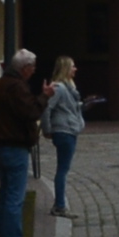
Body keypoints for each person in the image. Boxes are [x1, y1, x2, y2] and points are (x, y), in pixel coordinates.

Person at [0, 50, 43, 237]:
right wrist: (45, 96)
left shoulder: (1, 84)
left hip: (3, 145)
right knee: (14, 198)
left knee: (6, 196)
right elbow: (31, 112)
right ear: (24, 68)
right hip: (15, 146)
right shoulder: (16, 87)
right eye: (32, 67)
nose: (34, 71)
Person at [40, 56, 85, 218]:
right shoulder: (59, 88)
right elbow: (47, 108)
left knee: (63, 168)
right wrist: (47, 129)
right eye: (72, 66)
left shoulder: (68, 88)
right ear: (66, 69)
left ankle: (59, 204)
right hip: (64, 131)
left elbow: (67, 107)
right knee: (62, 170)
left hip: (69, 129)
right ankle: (59, 205)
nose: (75, 69)